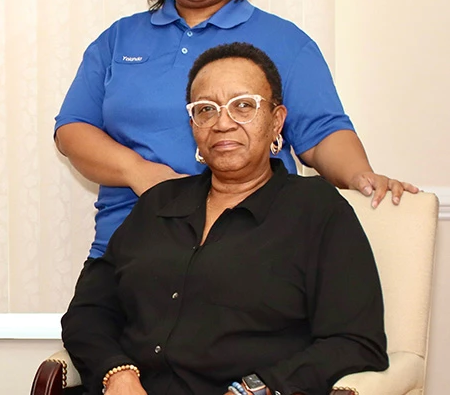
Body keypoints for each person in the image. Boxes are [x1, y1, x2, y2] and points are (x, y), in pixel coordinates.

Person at [54, 0, 416, 259]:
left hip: (249, 247)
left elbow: (322, 133)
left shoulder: (285, 41)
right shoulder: (119, 39)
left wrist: (360, 175)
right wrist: (140, 173)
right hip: (127, 244)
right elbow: (71, 129)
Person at [62, 43, 388, 395]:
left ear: (277, 120)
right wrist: (117, 374)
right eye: (206, 110)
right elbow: (88, 311)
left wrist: (258, 388)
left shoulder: (316, 210)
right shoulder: (158, 203)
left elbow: (356, 341)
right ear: (193, 126)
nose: (222, 123)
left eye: (243, 106)